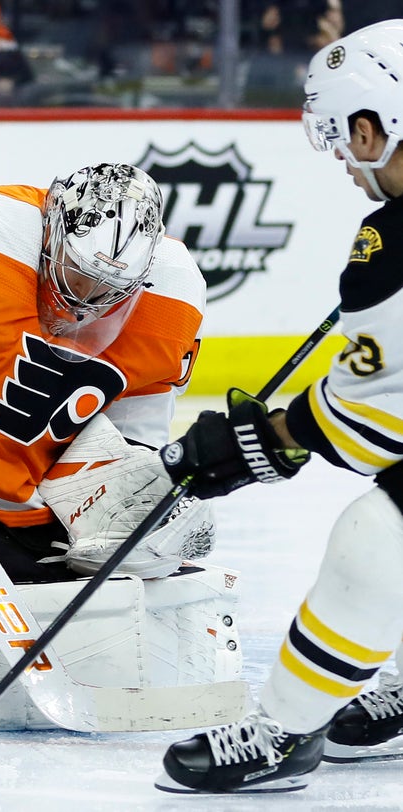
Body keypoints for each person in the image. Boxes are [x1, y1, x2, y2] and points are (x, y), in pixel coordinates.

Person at [155, 18, 403, 795]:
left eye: (342, 136)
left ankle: (285, 733)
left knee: (380, 535)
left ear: (373, 128)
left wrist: (260, 441)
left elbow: (376, 425)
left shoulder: (390, 248)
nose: (341, 158)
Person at [0, 161, 244, 730]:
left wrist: (143, 507)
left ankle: (18, 548)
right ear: (50, 236)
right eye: (77, 272)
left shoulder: (174, 296)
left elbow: (139, 438)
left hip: (20, 508)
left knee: (158, 507)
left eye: (109, 288)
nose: (87, 299)